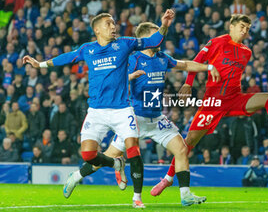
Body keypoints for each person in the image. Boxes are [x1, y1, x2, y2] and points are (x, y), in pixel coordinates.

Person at [23, 10, 175, 208]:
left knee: (133, 149)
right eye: (108, 24)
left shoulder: (125, 44)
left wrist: (164, 25)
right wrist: (40, 64)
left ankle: (137, 198)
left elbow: (153, 41)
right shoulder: (88, 49)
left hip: (122, 109)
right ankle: (115, 164)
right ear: (97, 30)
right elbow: (66, 57)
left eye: (113, 23)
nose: (113, 26)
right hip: (96, 111)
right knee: (88, 155)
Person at [63, 22, 219, 207]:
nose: (160, 39)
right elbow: (115, 77)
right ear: (146, 39)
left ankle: (185, 195)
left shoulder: (162, 57)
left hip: (157, 119)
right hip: (134, 118)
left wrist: (208, 68)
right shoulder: (132, 58)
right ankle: (76, 176)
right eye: (156, 35)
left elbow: (185, 64)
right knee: (106, 158)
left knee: (182, 149)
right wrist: (130, 77)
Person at [152, 14, 268, 195]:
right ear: (231, 26)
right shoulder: (217, 42)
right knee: (189, 142)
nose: (244, 31)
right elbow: (196, 61)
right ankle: (168, 179)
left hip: (234, 99)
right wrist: (188, 83)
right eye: (242, 26)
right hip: (214, 102)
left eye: (248, 28)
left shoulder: (246, 52)